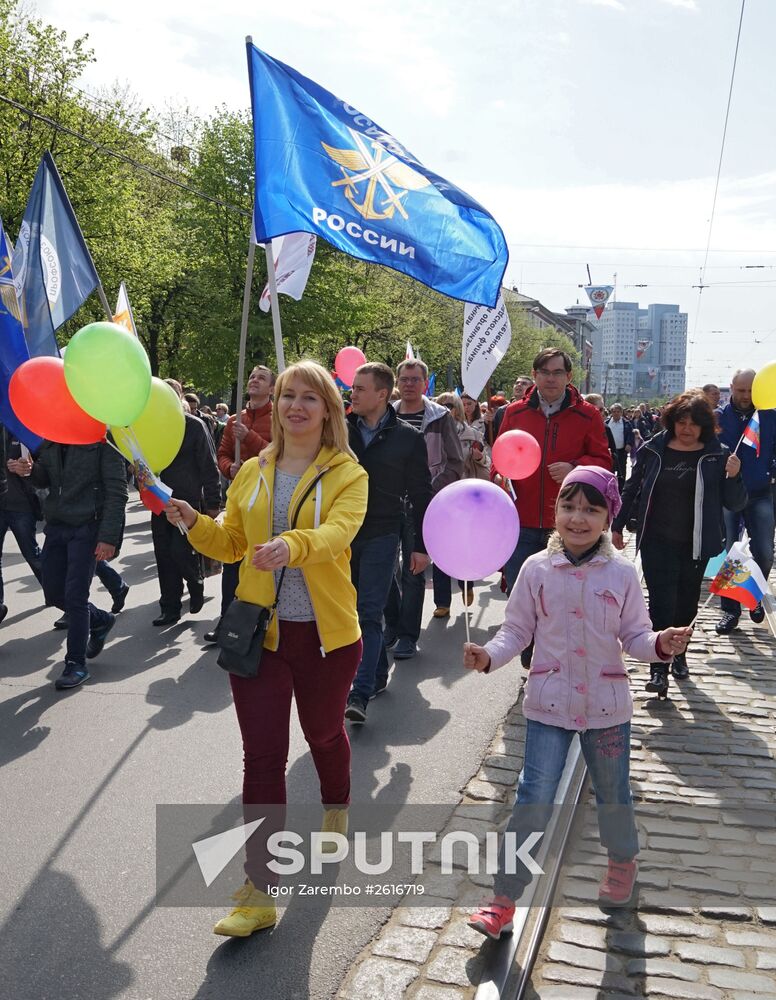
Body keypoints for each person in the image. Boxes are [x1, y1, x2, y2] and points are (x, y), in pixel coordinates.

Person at [165, 360, 368, 937]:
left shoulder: (347, 472)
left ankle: (337, 803)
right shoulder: (252, 470)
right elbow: (230, 543)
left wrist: (291, 545)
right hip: (261, 637)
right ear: (275, 406)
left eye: (309, 397)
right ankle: (259, 890)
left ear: (329, 409)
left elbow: (339, 534)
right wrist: (192, 522)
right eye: (286, 396)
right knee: (262, 758)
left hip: (328, 638)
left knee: (324, 734)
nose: (295, 406)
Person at [463, 466, 692, 938]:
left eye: (591, 509)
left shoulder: (623, 573)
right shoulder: (535, 569)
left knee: (613, 793)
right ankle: (504, 896)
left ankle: (621, 860)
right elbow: (516, 630)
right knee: (533, 796)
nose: (578, 518)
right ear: (556, 512)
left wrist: (662, 645)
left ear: (609, 516)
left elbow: (635, 636)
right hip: (548, 704)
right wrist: (489, 656)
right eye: (569, 507)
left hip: (608, 707)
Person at [612, 391, 746, 697]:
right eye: (681, 422)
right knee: (661, 603)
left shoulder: (718, 455)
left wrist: (734, 476)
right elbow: (632, 488)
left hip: (696, 543)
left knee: (686, 604)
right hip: (656, 540)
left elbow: (736, 502)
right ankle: (659, 667)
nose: (686, 429)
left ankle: (680, 655)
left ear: (704, 426)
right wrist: (618, 525)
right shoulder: (654, 448)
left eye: (693, 424)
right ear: (672, 422)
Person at [344, 362, 432, 723]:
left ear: (382, 394)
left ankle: (359, 693)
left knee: (368, 610)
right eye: (353, 387)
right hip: (341, 534)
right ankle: (377, 673)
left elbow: (421, 494)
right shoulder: (339, 430)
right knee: (351, 611)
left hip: (382, 533)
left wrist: (421, 546)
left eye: (360, 388)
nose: (353, 393)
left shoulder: (408, 438)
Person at [496, 348, 611, 597]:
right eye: (545, 372)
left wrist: (575, 467)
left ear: (569, 376)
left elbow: (604, 461)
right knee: (520, 595)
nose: (551, 379)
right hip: (520, 520)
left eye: (557, 372)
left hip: (568, 522)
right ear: (534, 375)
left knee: (564, 597)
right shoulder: (514, 413)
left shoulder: (587, 414)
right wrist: (498, 474)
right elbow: (499, 457)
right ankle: (525, 638)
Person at [30, 440, 128, 690]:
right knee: (54, 593)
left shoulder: (102, 440)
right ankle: (100, 620)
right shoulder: (51, 439)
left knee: (75, 597)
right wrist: (30, 470)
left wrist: (108, 537)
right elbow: (46, 478)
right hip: (57, 525)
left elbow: (117, 491)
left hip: (88, 527)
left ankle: (75, 664)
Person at [383, 359, 463, 660]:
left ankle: (407, 635)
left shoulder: (440, 417)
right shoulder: (385, 414)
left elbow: (455, 463)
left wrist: (429, 488)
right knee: (383, 567)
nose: (409, 384)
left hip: (423, 504)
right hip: (386, 501)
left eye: (415, 379)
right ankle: (391, 622)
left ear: (425, 382)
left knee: (413, 570)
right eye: (404, 379)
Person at [206, 365, 275, 643]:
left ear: (271, 388)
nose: (254, 381)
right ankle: (227, 622)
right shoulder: (235, 419)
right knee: (232, 561)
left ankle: (261, 625)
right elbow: (221, 454)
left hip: (267, 499)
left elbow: (279, 454)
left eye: (261, 378)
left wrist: (250, 438)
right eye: (252, 378)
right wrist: (228, 468)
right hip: (239, 499)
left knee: (261, 563)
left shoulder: (280, 417)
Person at [151, 380, 220, 626]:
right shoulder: (152, 428)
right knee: (164, 556)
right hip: (160, 502)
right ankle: (169, 606)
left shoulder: (194, 426)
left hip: (189, 503)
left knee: (180, 552)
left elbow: (209, 466)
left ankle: (195, 581)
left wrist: (213, 504)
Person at [714, 369, 775, 634]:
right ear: (731, 388)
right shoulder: (718, 418)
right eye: (740, 390)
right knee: (728, 552)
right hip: (728, 494)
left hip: (760, 492)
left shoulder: (769, 416)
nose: (746, 396)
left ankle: (752, 593)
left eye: (750, 390)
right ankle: (730, 611)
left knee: (764, 551)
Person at [431, 392, 487, 618]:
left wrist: (479, 458)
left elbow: (485, 469)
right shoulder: (429, 432)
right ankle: (442, 601)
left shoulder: (472, 434)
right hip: (438, 496)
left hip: (465, 497)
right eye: (442, 405)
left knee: (464, 546)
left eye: (451, 405)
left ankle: (467, 583)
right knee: (440, 549)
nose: (447, 409)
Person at [0, 428, 43, 621]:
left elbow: (45, 466)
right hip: (2, 504)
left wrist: (27, 467)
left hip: (22, 505)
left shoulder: (26, 428)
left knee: (32, 555)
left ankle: (60, 599)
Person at [607, 403, 634, 492]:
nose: (616, 413)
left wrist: (629, 444)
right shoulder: (607, 423)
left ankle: (621, 489)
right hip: (610, 451)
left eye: (618, 411)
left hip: (622, 451)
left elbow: (631, 435)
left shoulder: (626, 423)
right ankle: (609, 488)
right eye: (614, 411)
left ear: (621, 412)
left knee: (621, 470)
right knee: (610, 469)